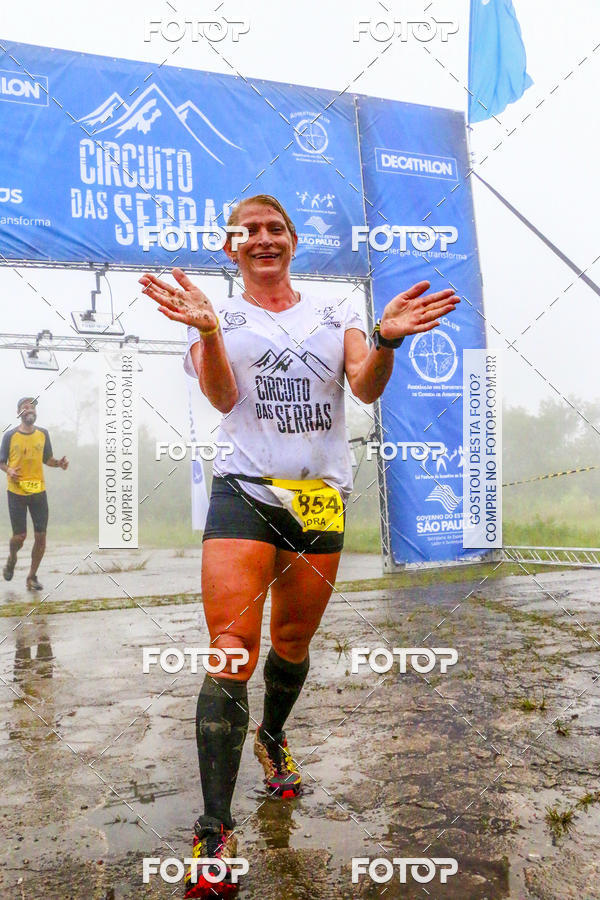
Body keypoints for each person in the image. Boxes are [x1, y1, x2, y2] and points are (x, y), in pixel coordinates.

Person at [139, 194, 459, 898]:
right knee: (231, 649)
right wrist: (211, 332)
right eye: (248, 231)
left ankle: (273, 735)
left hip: (318, 497)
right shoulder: (210, 315)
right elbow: (224, 399)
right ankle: (213, 831)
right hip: (246, 491)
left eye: (274, 229)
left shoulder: (336, 310)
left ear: (291, 241)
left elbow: (366, 387)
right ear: (232, 249)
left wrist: (388, 340)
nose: (262, 238)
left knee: (291, 642)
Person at [1, 397, 68, 591]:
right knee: (19, 537)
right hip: (16, 492)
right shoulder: (10, 435)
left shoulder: (43, 434)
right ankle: (12, 557)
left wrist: (59, 464)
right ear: (19, 412)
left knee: (41, 538)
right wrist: (9, 471)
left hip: (38, 492)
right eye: (25, 406)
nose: (29, 408)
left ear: (35, 412)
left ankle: (32, 576)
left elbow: (48, 459)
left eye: (32, 406)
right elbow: (1, 461)